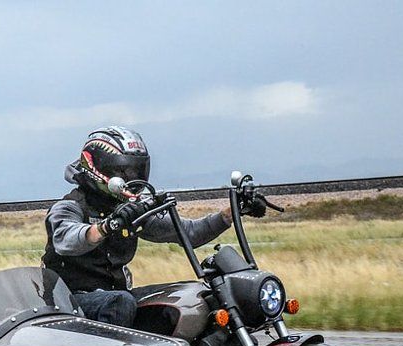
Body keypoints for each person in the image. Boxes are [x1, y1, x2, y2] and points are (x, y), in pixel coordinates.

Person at [42, 126, 253, 327]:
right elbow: (68, 240)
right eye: (121, 170)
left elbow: (189, 233)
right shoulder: (69, 207)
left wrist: (233, 211)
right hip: (68, 301)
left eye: (135, 170)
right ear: (95, 167)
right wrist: (109, 226)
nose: (130, 177)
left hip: (116, 294)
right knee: (120, 302)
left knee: (193, 295)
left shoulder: (129, 210)